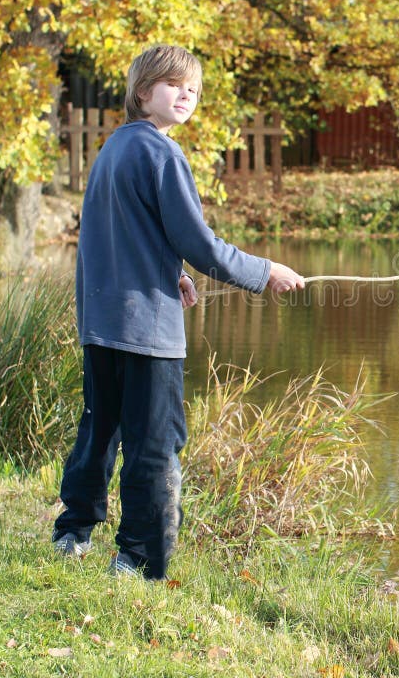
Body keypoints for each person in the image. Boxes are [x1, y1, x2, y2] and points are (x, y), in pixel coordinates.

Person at [52, 44, 304, 580]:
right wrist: (264, 272)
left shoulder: (113, 149)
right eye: (173, 85)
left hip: (101, 322)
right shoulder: (163, 154)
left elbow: (128, 234)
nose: (186, 94)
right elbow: (198, 241)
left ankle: (73, 531)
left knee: (101, 429)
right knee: (155, 443)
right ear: (143, 92)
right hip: (146, 329)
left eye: (193, 88)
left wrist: (173, 274)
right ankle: (139, 557)